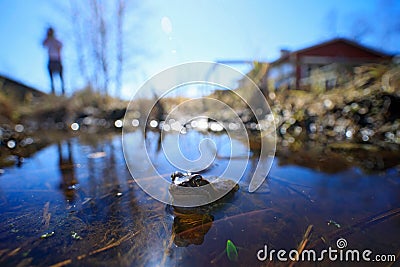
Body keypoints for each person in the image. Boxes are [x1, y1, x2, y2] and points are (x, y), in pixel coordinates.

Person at [42, 27, 65, 95]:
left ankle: (63, 92)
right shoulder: (48, 40)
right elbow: (43, 44)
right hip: (51, 60)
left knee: (61, 78)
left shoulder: (57, 40)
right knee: (51, 78)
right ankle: (53, 92)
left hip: (57, 60)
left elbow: (60, 47)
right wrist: (47, 37)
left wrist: (53, 41)